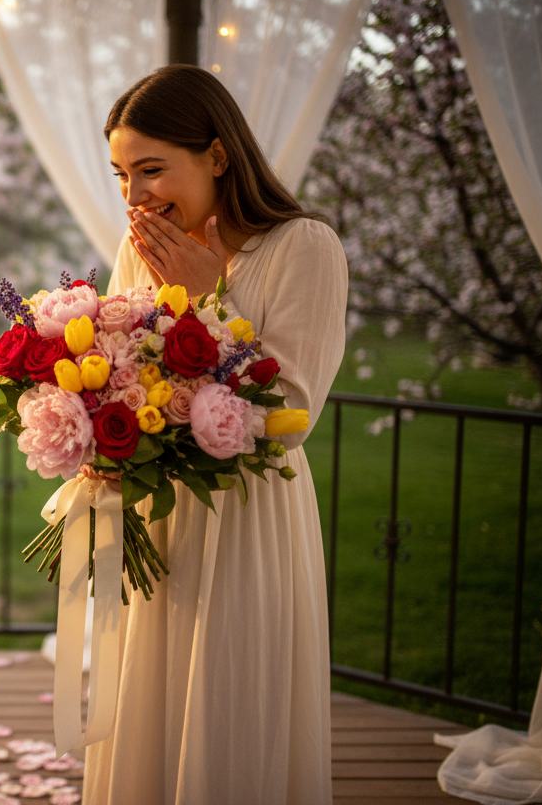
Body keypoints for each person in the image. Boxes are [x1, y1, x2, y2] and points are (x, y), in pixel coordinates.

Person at [83, 65, 347, 804]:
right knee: (150, 707)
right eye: (122, 175)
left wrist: (207, 298)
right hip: (158, 515)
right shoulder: (141, 247)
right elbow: (118, 372)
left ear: (218, 156)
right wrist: (107, 438)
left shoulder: (304, 248)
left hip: (250, 519)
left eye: (151, 170)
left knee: (232, 704)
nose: (135, 196)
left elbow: (288, 410)